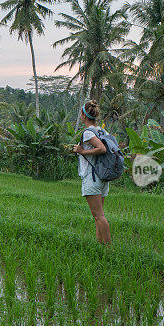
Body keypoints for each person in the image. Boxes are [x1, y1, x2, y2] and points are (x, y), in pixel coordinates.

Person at [72, 100, 111, 245]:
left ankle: (109, 249)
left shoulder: (88, 132)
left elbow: (102, 148)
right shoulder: (102, 130)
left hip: (92, 177)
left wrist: (82, 151)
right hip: (102, 177)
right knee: (97, 216)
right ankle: (99, 245)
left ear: (84, 115)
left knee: (99, 215)